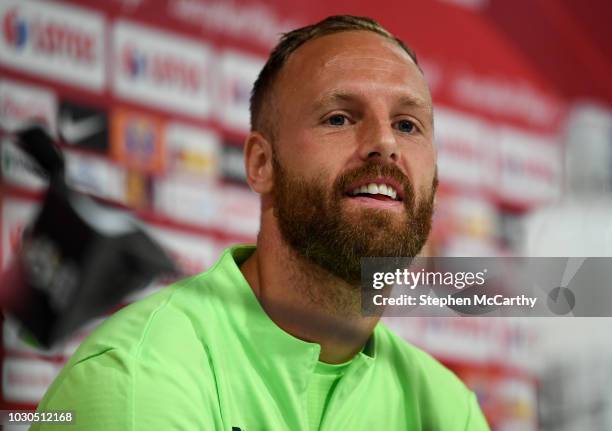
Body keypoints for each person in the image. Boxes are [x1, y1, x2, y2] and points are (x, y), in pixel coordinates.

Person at [33, 15, 490, 430]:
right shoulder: (138, 377)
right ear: (260, 163)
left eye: (408, 125)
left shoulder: (448, 411)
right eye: (339, 117)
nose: (385, 143)